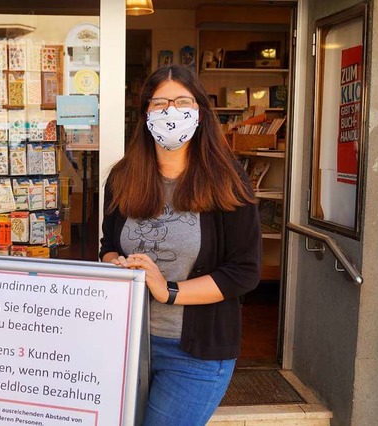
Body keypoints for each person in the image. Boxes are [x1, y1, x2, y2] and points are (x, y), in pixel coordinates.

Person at [99, 64, 262, 425]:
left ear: (199, 112)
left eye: (182, 101)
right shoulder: (123, 177)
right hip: (127, 344)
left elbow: (244, 272)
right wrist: (118, 265)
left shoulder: (227, 181)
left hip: (194, 354)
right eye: (160, 103)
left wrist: (168, 289)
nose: (171, 111)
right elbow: (108, 244)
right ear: (145, 114)